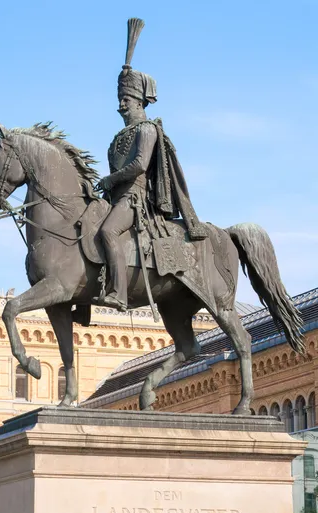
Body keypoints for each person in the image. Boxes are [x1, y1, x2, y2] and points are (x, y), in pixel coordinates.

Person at [95, 19, 207, 312]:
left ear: (139, 102)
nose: (121, 106)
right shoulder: (119, 136)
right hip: (116, 198)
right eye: (120, 100)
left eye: (127, 100)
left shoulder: (147, 130)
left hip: (135, 201)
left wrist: (111, 179)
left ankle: (118, 293)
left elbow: (139, 165)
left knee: (107, 233)